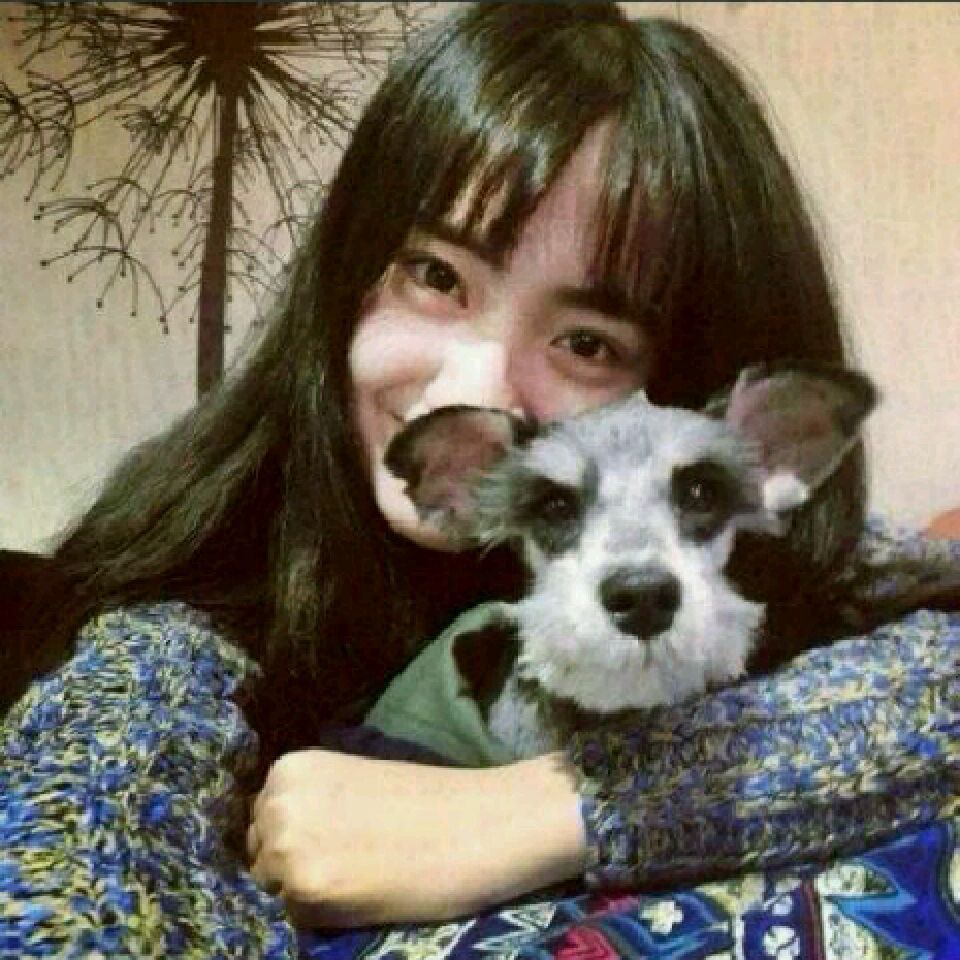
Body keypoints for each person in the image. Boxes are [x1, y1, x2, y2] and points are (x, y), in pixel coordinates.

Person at [2, 0, 958, 942]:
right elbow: (85, 858)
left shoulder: (729, 547)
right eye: (436, 276)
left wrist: (549, 812)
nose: (474, 387)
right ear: (351, 270)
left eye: (587, 342)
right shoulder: (187, 621)